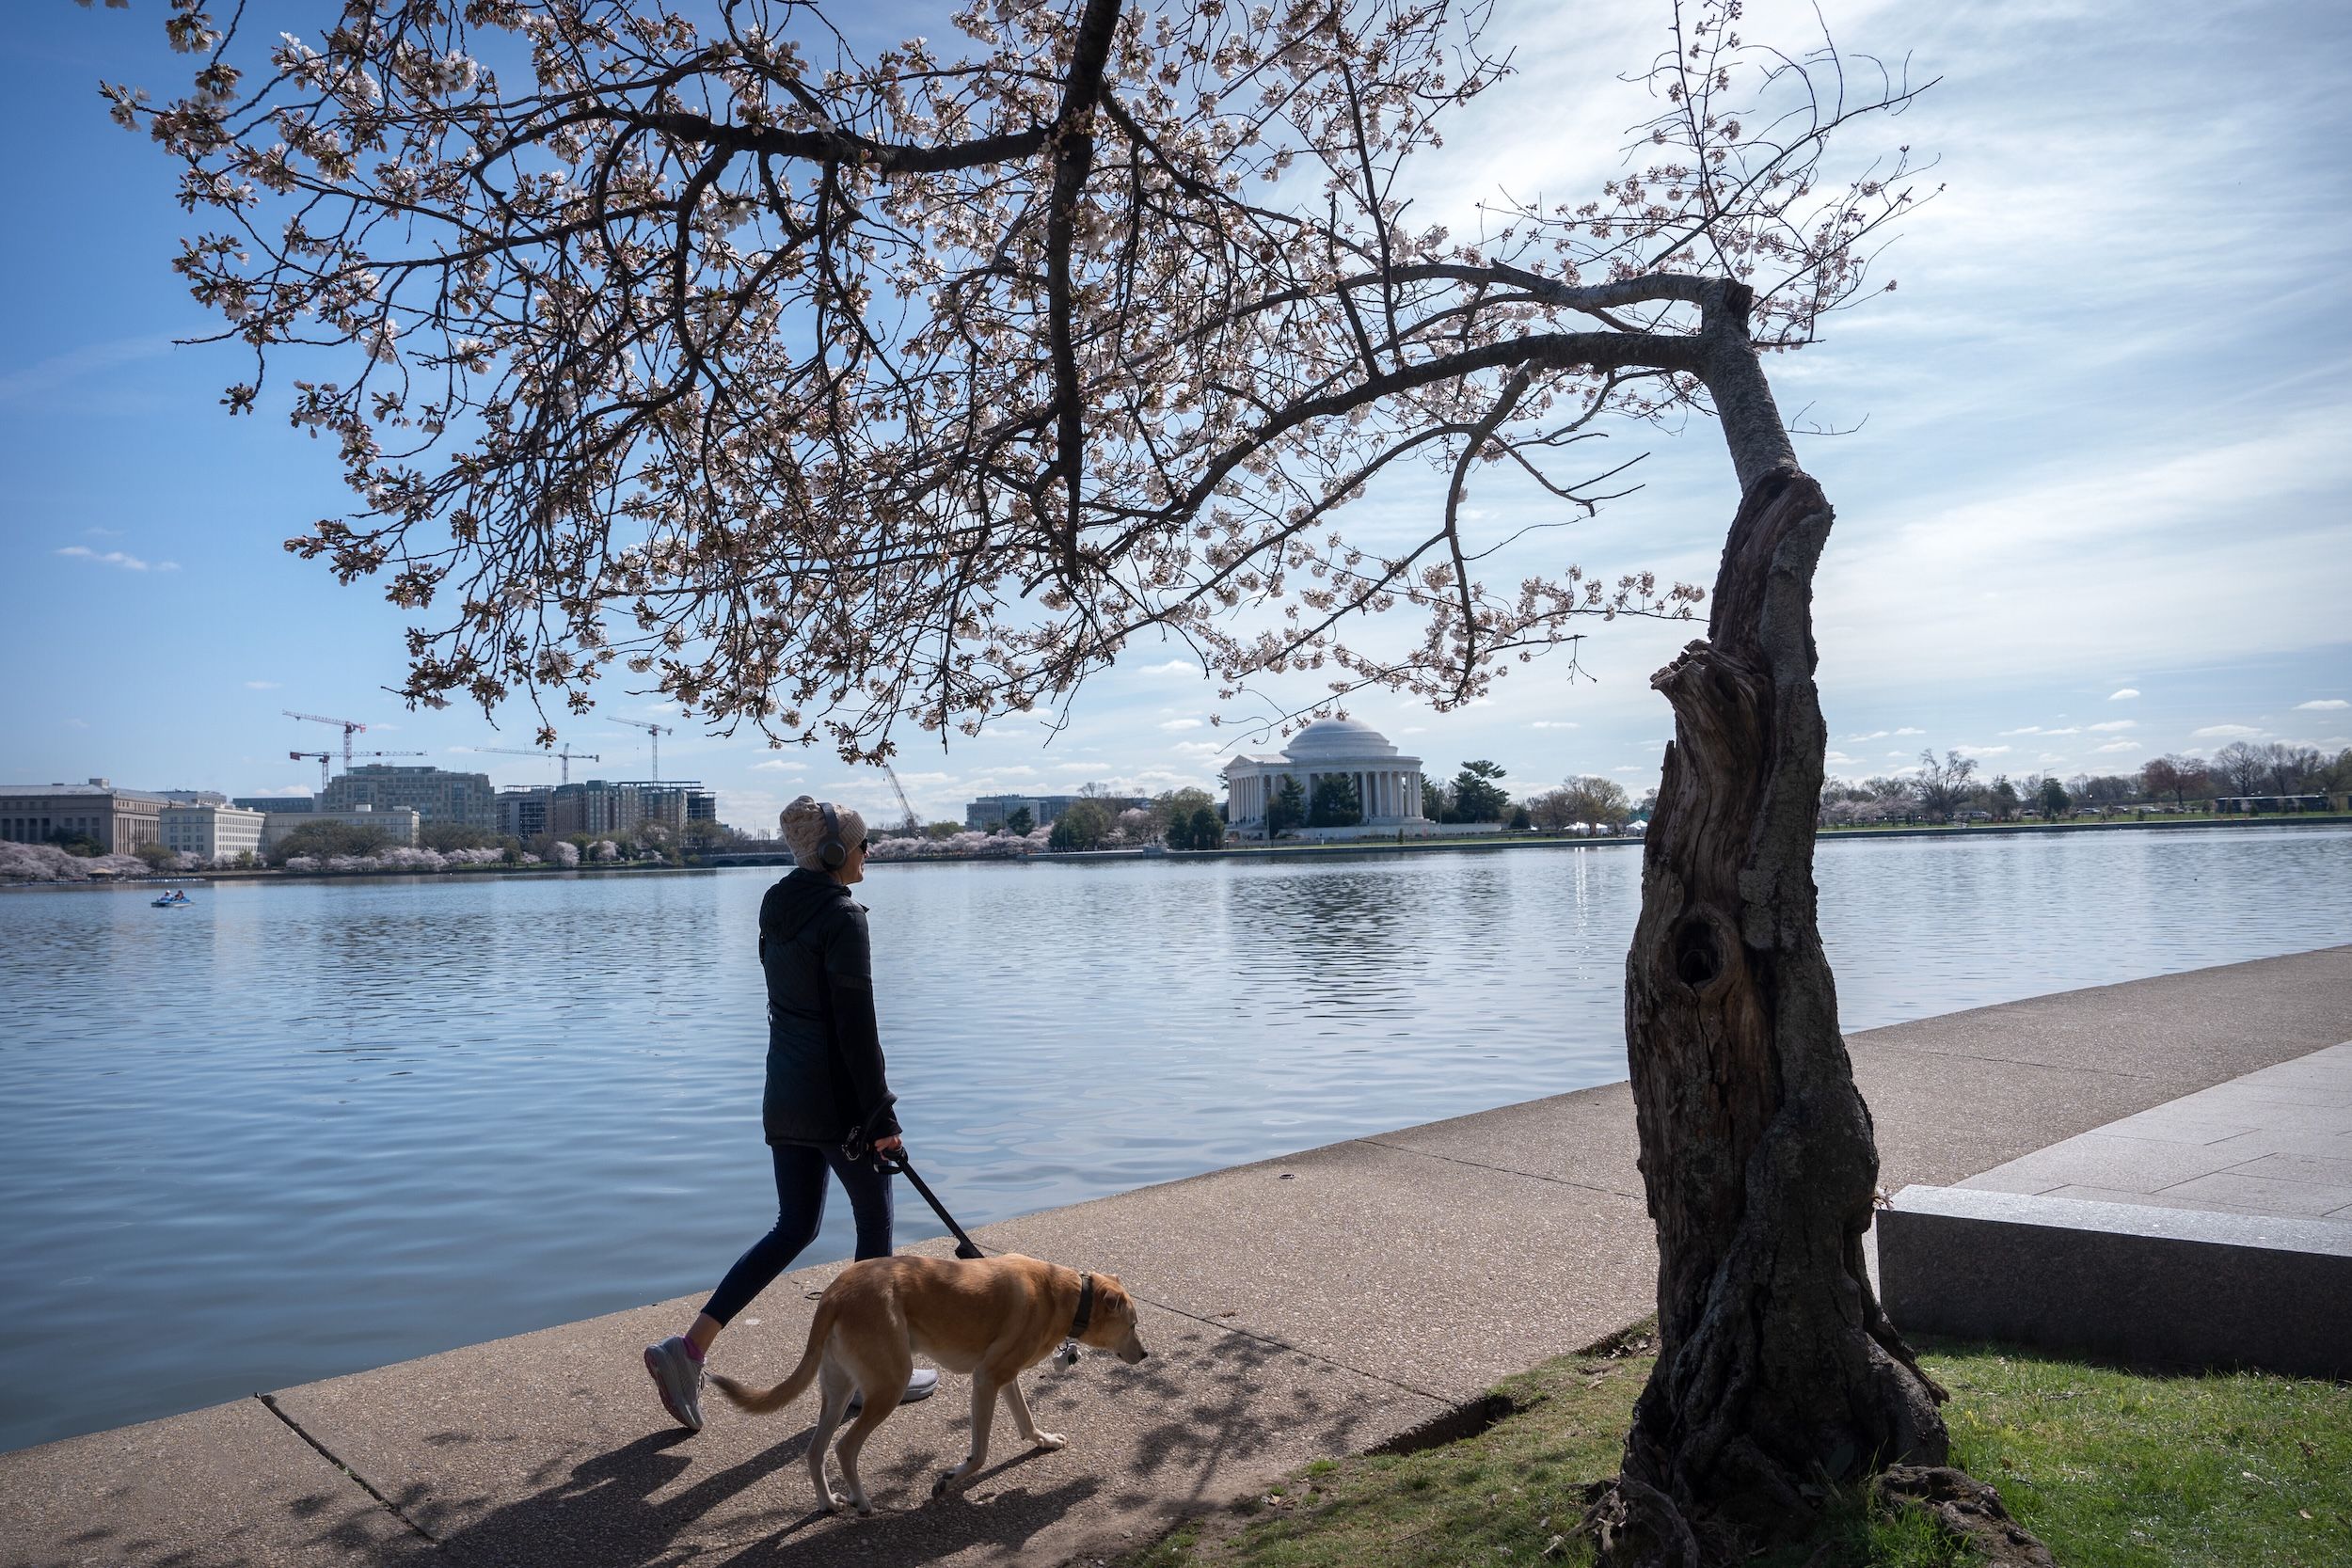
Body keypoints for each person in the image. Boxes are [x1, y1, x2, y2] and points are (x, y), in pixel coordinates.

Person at [644, 797, 938, 1430]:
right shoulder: (843, 917)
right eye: (862, 844)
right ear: (835, 854)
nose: (868, 854)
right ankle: (871, 1374)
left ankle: (688, 1347)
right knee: (874, 1229)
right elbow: (856, 1027)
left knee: (794, 1225)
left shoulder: (775, 905)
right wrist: (881, 1114)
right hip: (837, 1102)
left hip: (784, 1094)